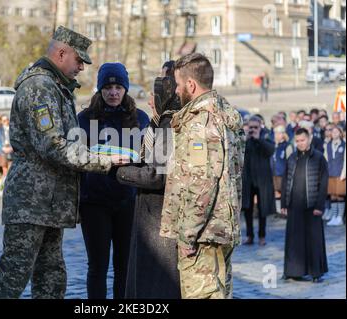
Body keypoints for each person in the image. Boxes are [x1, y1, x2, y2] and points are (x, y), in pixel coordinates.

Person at [0, 26, 128, 299]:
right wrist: (104, 160)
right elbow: (54, 146)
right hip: (31, 202)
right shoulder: (39, 88)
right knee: (10, 279)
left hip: (47, 204)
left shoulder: (54, 87)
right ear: (62, 53)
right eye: (79, 60)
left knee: (52, 279)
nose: (82, 68)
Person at [160, 53, 244, 299]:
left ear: (191, 85)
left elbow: (201, 184)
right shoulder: (226, 115)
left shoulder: (199, 124)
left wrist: (187, 235)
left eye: (177, 84)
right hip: (220, 229)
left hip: (203, 235)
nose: (175, 91)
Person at [77, 62, 150, 299]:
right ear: (100, 90)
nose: (113, 92)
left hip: (127, 202)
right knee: (97, 266)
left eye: (119, 87)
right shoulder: (85, 119)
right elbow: (74, 159)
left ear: (126, 89)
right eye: (108, 88)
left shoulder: (139, 118)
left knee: (124, 267)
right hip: (94, 202)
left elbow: (149, 160)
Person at [115, 61, 181, 299]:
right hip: (151, 216)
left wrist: (120, 171)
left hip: (158, 217)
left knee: (155, 285)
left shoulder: (168, 123)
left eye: (154, 95)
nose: (150, 101)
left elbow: (157, 174)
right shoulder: (160, 121)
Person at [281, 128, 329, 283]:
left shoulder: (319, 158)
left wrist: (319, 206)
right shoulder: (292, 157)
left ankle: (316, 273)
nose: (300, 143)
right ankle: (292, 271)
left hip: (312, 205)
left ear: (309, 139)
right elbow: (285, 180)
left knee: (314, 240)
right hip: (294, 206)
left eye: (303, 140)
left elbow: (323, 184)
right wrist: (284, 202)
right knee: (294, 240)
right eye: (298, 141)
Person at [242, 116, 276, 246]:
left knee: (263, 209)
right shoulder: (245, 139)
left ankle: (262, 236)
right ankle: (249, 235)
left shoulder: (266, 136)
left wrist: (258, 139)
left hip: (262, 181)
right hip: (248, 180)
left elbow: (270, 151)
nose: (253, 130)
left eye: (255, 127)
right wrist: (246, 139)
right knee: (248, 209)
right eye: (251, 127)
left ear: (260, 126)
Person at [324, 125, 346, 226]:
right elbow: (326, 159)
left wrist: (344, 173)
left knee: (340, 195)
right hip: (330, 173)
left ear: (340, 133)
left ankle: (340, 217)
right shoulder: (328, 145)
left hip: (340, 173)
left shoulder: (344, 145)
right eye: (333, 132)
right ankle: (334, 216)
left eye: (337, 132)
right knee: (332, 195)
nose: (334, 133)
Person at [272, 125, 293, 214]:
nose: (277, 135)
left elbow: (290, 160)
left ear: (283, 134)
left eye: (279, 133)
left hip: (283, 173)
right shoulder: (272, 145)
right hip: (274, 173)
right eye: (275, 133)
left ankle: (285, 210)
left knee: (284, 192)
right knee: (276, 192)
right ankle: (278, 211)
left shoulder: (287, 146)